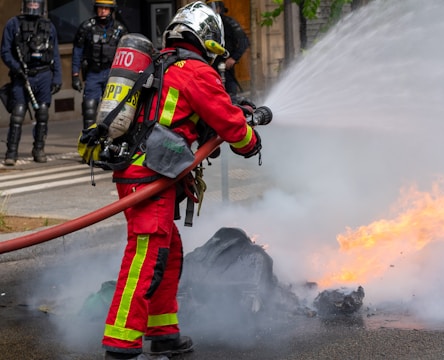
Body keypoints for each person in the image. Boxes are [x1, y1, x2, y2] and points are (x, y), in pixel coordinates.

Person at [92, 2, 262, 359]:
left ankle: (164, 332)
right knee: (146, 255)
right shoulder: (195, 70)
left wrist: (233, 111)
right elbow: (229, 123)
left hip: (145, 171)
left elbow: (198, 113)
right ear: (206, 39)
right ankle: (121, 344)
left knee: (168, 254)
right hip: (149, 175)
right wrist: (251, 141)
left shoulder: (164, 63)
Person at [1, 0, 62, 165]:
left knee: (42, 114)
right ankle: (11, 153)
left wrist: (57, 78)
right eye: (31, 2)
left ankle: (39, 149)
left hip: (43, 75)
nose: (33, 5)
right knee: (18, 114)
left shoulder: (49, 26)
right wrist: (16, 68)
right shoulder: (13, 24)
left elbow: (55, 53)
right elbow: (5, 51)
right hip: (22, 75)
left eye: (36, 3)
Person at [72, 0, 128, 129]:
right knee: (89, 108)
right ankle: (88, 140)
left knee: (114, 109)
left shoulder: (120, 30)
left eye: (106, 8)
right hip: (93, 73)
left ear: (111, 10)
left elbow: (126, 52)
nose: (103, 11)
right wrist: (75, 74)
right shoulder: (87, 27)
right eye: (100, 8)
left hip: (112, 74)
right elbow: (78, 50)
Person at [206, 0, 250, 96]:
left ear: (219, 8)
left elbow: (244, 42)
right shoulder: (205, 25)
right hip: (209, 65)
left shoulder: (229, 23)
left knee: (230, 93)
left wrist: (233, 58)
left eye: (213, 7)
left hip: (225, 65)